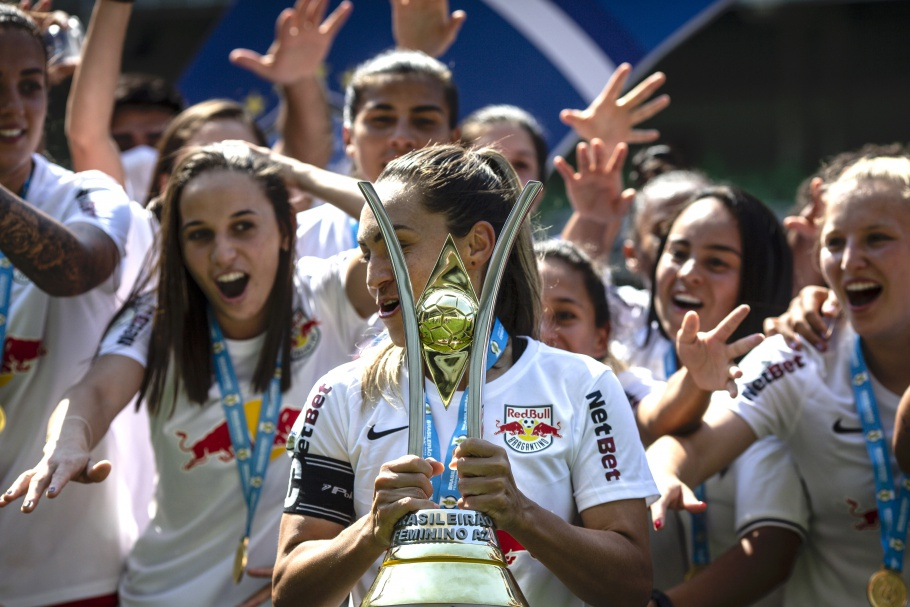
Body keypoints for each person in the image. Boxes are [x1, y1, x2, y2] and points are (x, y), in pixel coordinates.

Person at [274, 144, 657, 607]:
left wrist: (521, 514)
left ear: (476, 246)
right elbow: (290, 593)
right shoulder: (340, 393)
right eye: (366, 253)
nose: (374, 276)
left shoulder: (582, 385)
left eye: (398, 247)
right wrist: (371, 531)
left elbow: (632, 586)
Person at [1, 142, 375, 606]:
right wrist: (68, 441)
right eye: (199, 235)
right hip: (164, 595)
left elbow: (402, 232)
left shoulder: (326, 293)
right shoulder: (159, 318)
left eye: (243, 227)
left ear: (285, 229)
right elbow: (93, 393)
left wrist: (296, 169)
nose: (223, 254)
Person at [647, 152, 910, 605]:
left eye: (877, 239)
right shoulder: (802, 348)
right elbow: (694, 444)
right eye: (834, 242)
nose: (849, 261)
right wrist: (665, 471)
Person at [0, 5, 141, 605]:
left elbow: (77, 268)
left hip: (73, 577)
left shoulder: (89, 194)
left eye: (30, 86)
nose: (14, 107)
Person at [295, 47, 461, 260]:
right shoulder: (299, 239)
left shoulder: (484, 235)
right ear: (348, 138)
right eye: (382, 120)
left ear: (454, 141)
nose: (401, 138)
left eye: (424, 121)